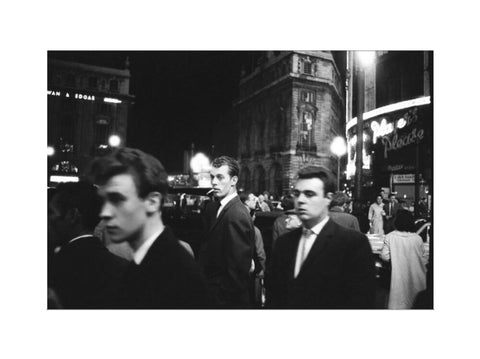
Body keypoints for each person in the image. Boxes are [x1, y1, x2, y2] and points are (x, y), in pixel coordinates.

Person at [88, 147, 211, 308]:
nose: (105, 212)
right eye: (104, 200)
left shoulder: (174, 274)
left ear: (152, 202)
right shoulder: (152, 261)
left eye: (117, 199)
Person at [267, 166, 376, 309]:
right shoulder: (283, 243)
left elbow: (360, 303)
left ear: (328, 198)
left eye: (309, 194)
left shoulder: (353, 244)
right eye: (297, 193)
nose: (300, 200)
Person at [48, 181, 129, 308]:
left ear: (72, 215)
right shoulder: (123, 268)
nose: (48, 219)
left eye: (51, 212)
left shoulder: (54, 267)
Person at [199, 156, 255, 307]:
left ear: (234, 180)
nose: (214, 182)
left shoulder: (236, 214)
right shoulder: (219, 207)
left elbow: (236, 274)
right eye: (212, 177)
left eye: (220, 177)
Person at [380, 209, 428, 309]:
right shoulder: (417, 238)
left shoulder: (390, 237)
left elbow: (384, 256)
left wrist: (396, 258)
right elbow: (424, 258)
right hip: (418, 277)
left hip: (398, 277)